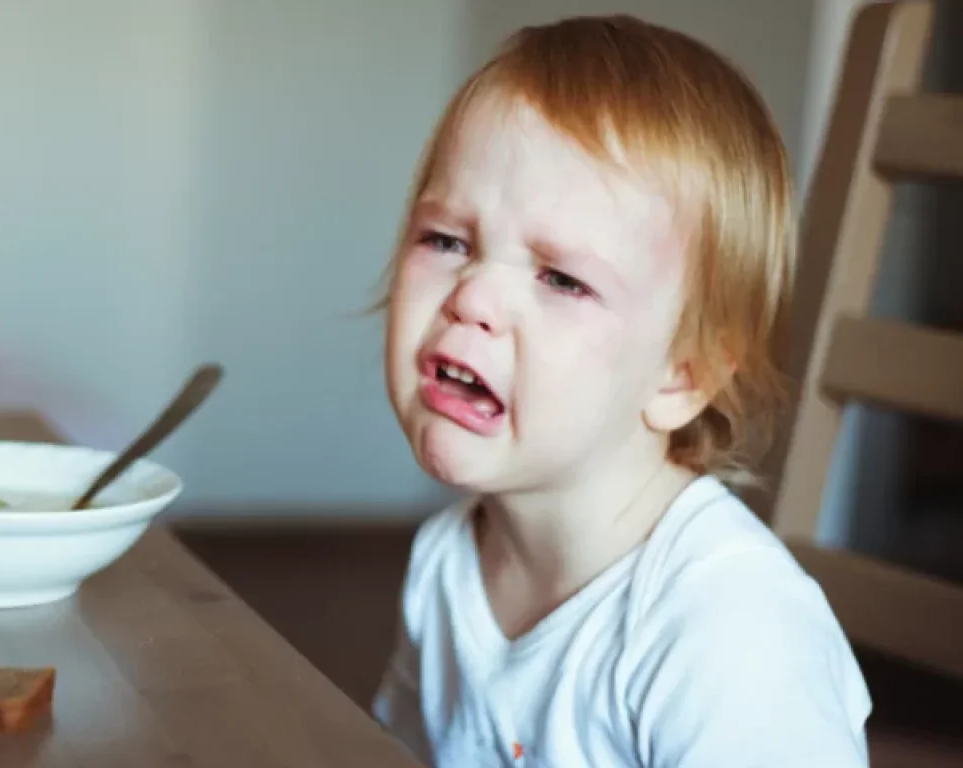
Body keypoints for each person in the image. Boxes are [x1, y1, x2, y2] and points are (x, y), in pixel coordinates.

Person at [370, 14, 871, 767]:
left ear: (683, 377)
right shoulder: (448, 564)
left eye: (561, 278)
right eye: (447, 241)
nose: (473, 297)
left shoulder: (727, 633)